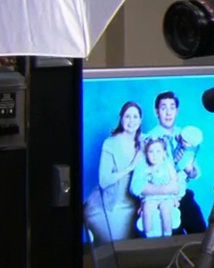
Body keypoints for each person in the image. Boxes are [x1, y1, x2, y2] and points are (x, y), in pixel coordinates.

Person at [134, 91, 207, 235]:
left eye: (172, 108)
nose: (168, 113)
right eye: (163, 108)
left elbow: (194, 171)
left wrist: (191, 171)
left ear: (177, 111)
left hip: (183, 195)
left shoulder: (187, 135)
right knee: (170, 243)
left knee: (201, 235)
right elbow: (138, 183)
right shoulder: (147, 140)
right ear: (156, 112)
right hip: (160, 200)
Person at [85, 101, 143, 241]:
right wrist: (130, 167)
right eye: (127, 116)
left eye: (135, 117)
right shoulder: (110, 143)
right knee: (117, 247)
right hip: (111, 206)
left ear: (140, 120)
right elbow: (104, 181)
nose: (131, 121)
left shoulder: (144, 142)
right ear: (121, 118)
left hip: (136, 205)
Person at [132, 137, 185, 238]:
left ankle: (167, 234)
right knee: (147, 209)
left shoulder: (168, 166)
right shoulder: (146, 168)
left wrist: (175, 198)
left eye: (158, 151)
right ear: (146, 154)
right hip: (151, 197)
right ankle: (149, 234)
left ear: (164, 153)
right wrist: (142, 203)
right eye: (151, 152)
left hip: (167, 197)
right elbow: (141, 188)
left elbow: (175, 181)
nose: (154, 155)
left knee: (166, 210)